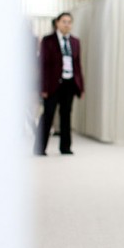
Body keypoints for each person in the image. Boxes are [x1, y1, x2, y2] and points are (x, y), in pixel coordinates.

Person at [34, 12, 85, 155]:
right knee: (48, 115)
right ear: (57, 23)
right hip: (52, 84)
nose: (67, 24)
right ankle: (39, 148)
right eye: (64, 21)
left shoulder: (75, 42)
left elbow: (78, 65)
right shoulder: (48, 40)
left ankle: (65, 147)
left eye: (69, 22)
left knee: (66, 115)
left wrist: (81, 86)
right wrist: (42, 87)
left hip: (69, 83)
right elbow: (42, 65)